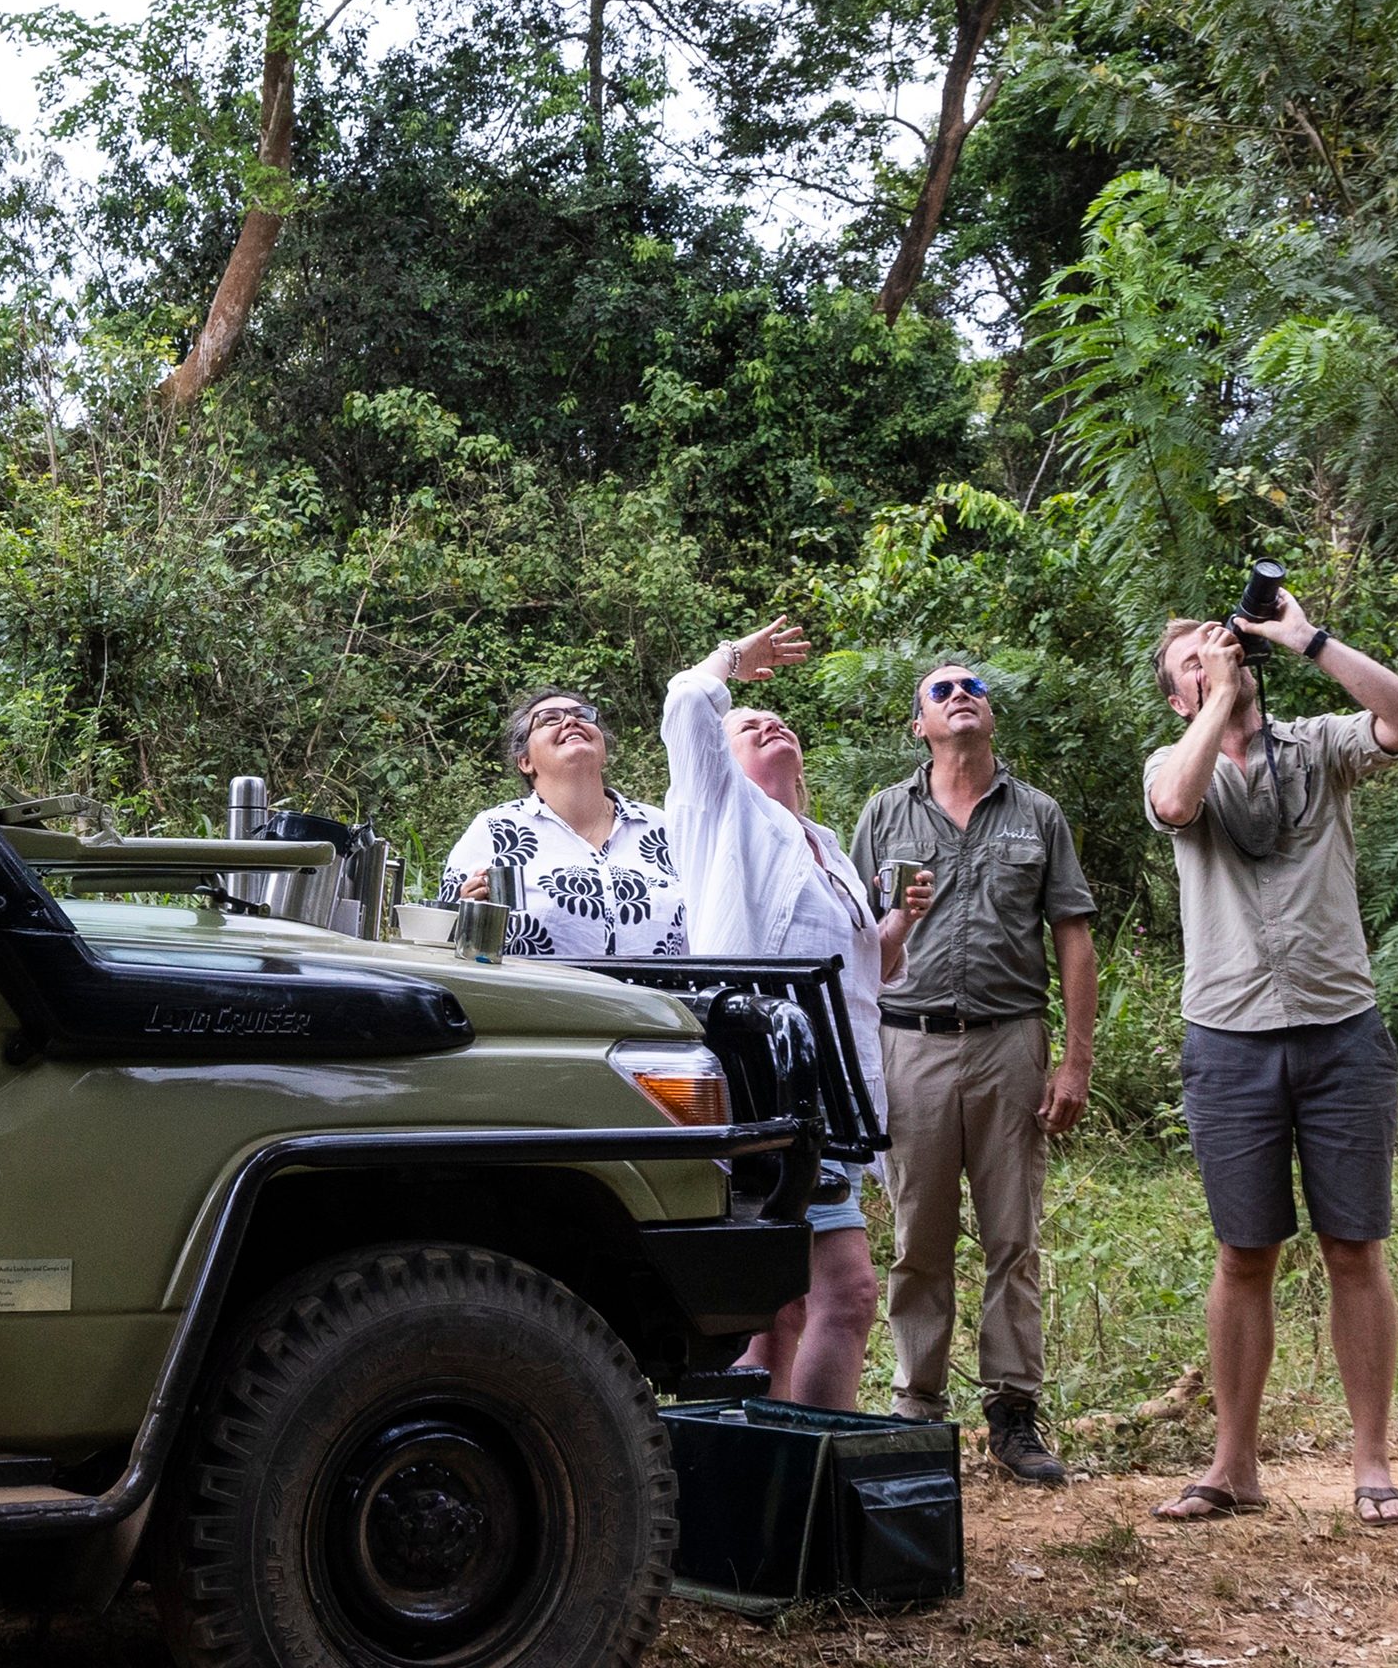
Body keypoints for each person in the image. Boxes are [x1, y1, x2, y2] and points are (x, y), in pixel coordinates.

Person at [1139, 587, 1398, 1527]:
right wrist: (1218, 699)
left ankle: (1371, 1465)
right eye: (1190, 663)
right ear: (1177, 697)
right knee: (1243, 1254)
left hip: (1339, 1028)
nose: (1214, 660)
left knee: (1354, 1246)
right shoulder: (1170, 760)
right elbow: (1177, 801)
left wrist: (1307, 639)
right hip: (1228, 1035)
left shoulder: (1315, 746)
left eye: (1220, 648)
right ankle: (1233, 1467)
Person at [847, 655, 1101, 1487]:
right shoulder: (885, 812)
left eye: (973, 687)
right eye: (942, 690)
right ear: (918, 723)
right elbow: (853, 935)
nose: (961, 695)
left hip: (1009, 1044)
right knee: (916, 1235)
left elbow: (1071, 935)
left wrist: (1073, 1059)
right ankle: (915, 1406)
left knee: (1011, 1237)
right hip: (909, 1043)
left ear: (990, 714)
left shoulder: (1036, 813)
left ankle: (1013, 1414)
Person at [658, 619, 903, 1409]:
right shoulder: (718, 811)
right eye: (747, 724)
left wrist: (901, 921)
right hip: (760, 1085)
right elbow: (687, 699)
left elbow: (862, 976)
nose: (769, 724)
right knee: (786, 1304)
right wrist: (735, 659)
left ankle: (810, 1461)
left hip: (832, 1096)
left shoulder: (826, 844)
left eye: (778, 719)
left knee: (832, 1299)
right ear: (718, 758)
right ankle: (765, 1461)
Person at [434, 683, 685, 962]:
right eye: (549, 719)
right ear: (525, 761)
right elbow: (438, 943)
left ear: (604, 751)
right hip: (541, 991)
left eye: (582, 714)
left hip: (661, 991)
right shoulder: (495, 830)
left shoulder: (665, 829)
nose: (571, 720)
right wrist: (467, 913)